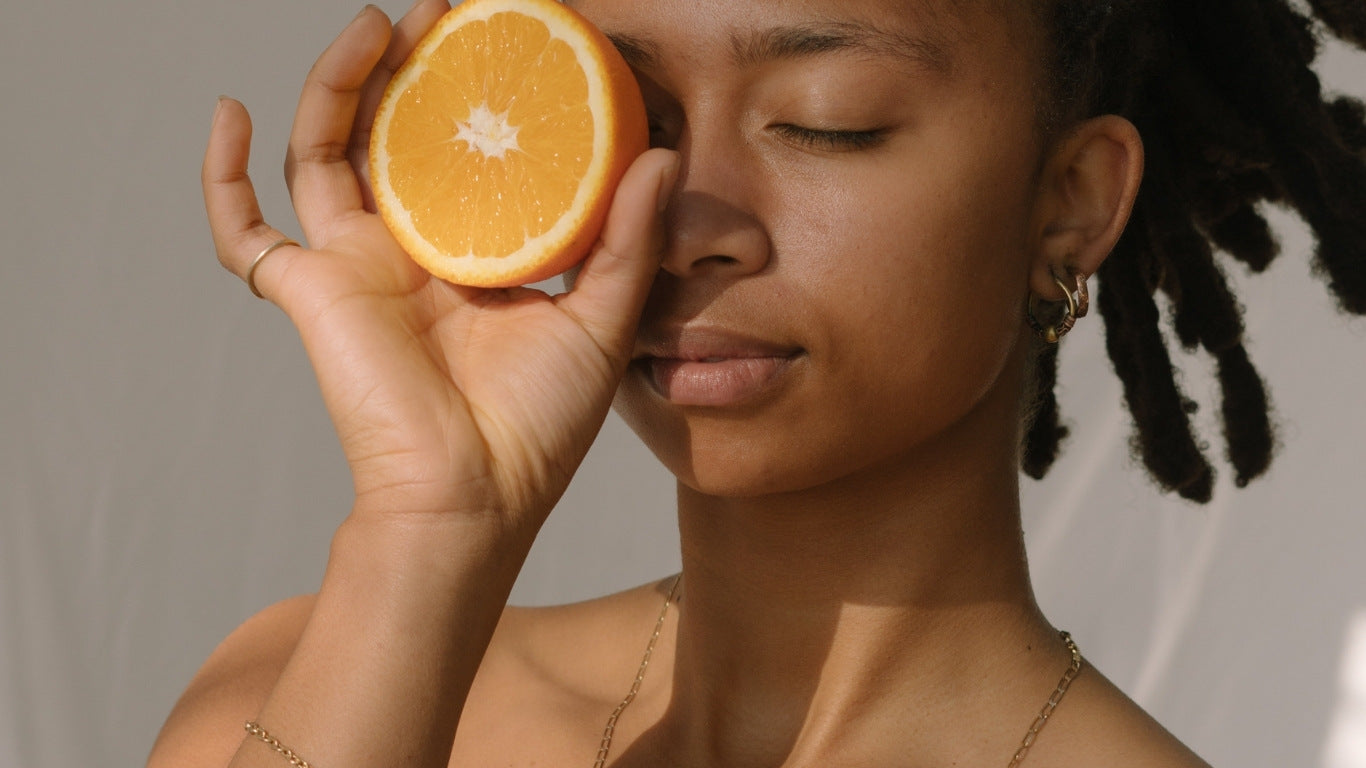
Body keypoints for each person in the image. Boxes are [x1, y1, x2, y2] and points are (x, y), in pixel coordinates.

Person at [151, 0, 1366, 765]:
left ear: (1071, 201)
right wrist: (428, 530)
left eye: (825, 122)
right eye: (636, 119)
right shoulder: (306, 684)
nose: (689, 220)